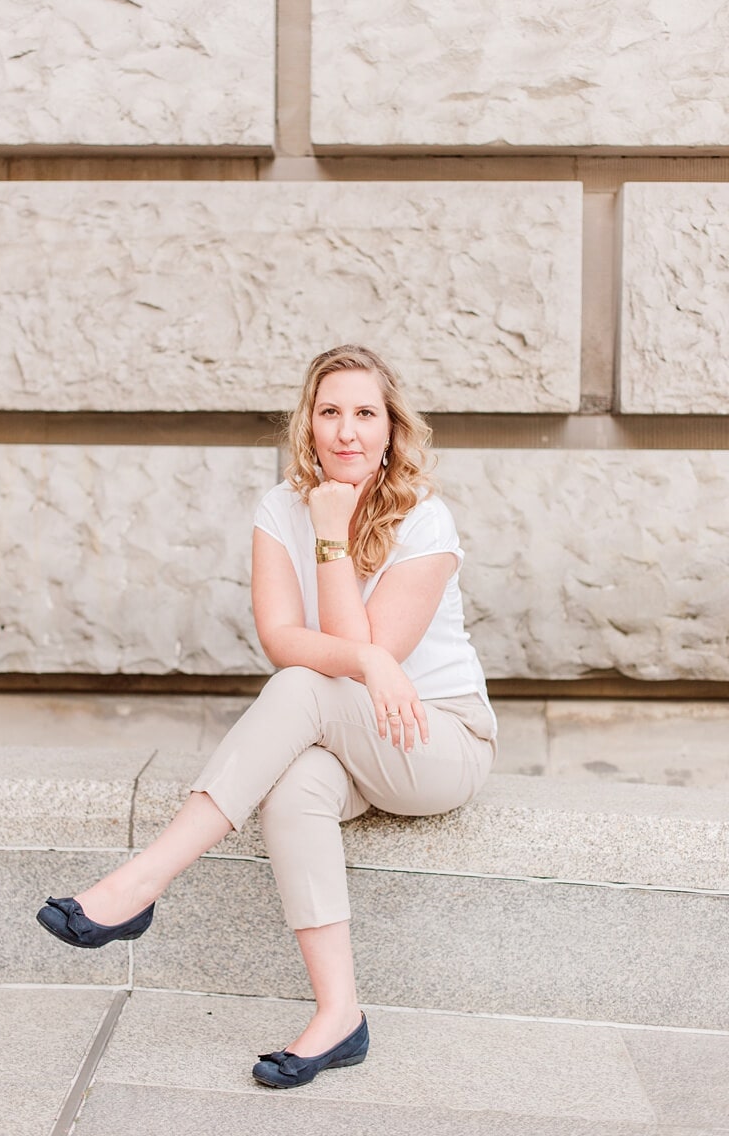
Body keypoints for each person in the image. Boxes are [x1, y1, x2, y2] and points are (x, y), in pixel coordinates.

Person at [37, 344, 497, 1089]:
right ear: (308, 425)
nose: (347, 431)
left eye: (365, 414)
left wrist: (337, 555)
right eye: (330, 412)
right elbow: (281, 636)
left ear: (390, 430)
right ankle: (339, 1016)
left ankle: (143, 881)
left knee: (301, 686)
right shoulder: (279, 506)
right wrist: (366, 651)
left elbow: (343, 652)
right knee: (293, 790)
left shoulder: (425, 519)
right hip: (351, 738)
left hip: (437, 740)